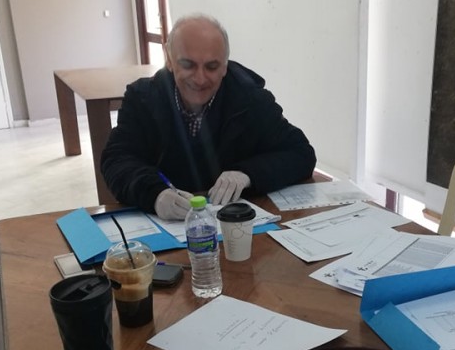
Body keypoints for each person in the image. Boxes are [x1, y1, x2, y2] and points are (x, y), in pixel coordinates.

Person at [100, 13, 317, 220]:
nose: (200, 79)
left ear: (225, 66)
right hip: (165, 226)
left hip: (234, 226)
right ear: (169, 60)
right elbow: (116, 160)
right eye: (188, 65)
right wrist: (154, 194)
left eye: (212, 67)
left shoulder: (251, 100)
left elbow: (301, 153)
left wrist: (247, 174)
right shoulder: (142, 99)